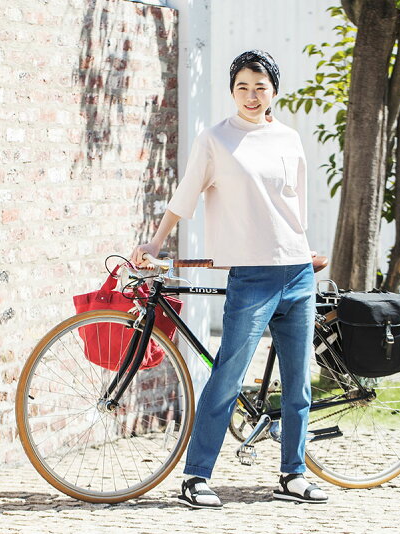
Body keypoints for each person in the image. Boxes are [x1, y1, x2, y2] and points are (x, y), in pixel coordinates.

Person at [132, 50, 328, 507]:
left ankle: (292, 474)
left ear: (274, 90)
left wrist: (304, 247)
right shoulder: (215, 140)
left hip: (297, 272)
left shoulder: (289, 139)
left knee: (297, 383)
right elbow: (184, 196)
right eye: (242, 87)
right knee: (227, 377)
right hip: (252, 276)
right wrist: (157, 243)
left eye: (260, 87)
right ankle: (196, 477)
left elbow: (294, 206)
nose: (252, 96)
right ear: (232, 91)